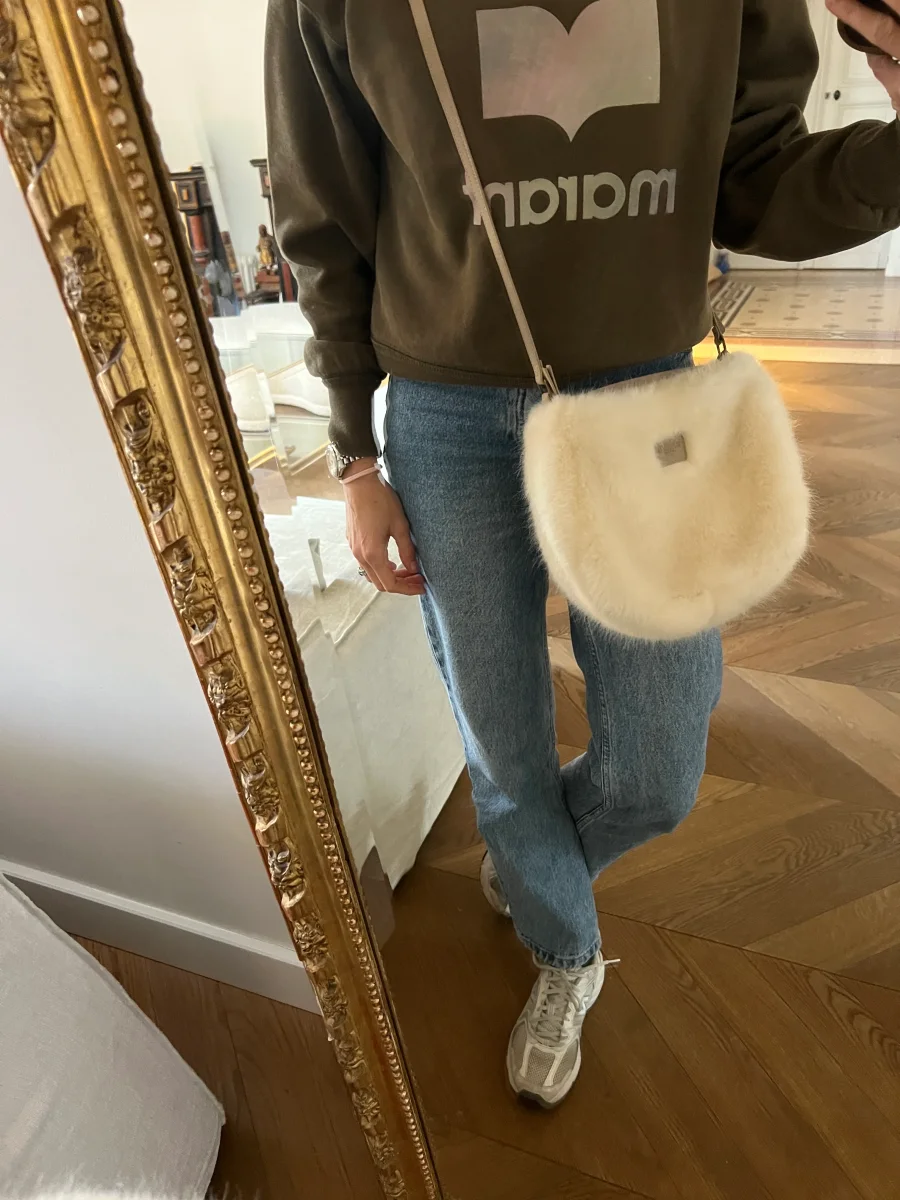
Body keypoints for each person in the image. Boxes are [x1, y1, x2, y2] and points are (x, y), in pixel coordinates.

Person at [265, 0, 900, 1107]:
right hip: (447, 417)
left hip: (646, 396)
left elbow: (756, 179)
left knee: (658, 767)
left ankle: (532, 862)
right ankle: (563, 946)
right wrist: (356, 456)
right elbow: (326, 214)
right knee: (498, 736)